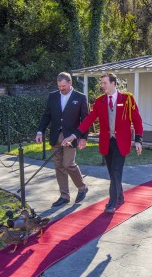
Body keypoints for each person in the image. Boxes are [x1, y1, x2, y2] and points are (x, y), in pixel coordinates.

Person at [64, 72, 143, 213]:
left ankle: (111, 203)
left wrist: (138, 140)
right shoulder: (100, 101)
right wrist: (75, 135)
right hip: (107, 142)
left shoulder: (127, 99)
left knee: (116, 170)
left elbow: (137, 120)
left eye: (104, 83)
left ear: (113, 83)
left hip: (122, 142)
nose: (102, 86)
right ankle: (120, 196)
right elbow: (89, 119)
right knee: (112, 172)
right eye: (101, 83)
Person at [36, 72, 89, 207]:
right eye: (59, 86)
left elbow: (86, 120)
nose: (61, 89)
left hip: (71, 137)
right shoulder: (53, 96)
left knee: (68, 164)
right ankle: (64, 196)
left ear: (70, 83)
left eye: (64, 86)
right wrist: (40, 131)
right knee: (58, 166)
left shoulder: (80, 97)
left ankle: (82, 187)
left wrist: (83, 138)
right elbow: (46, 115)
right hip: (55, 136)